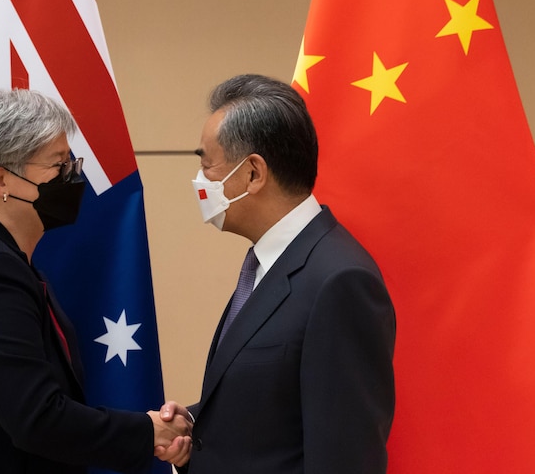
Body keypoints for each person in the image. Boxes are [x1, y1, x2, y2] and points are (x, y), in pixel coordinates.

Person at [0, 88, 191, 473]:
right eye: (59, 166)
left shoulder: (8, 262)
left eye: (72, 160)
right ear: (0, 181)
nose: (74, 176)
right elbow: (37, 418)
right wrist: (148, 431)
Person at [161, 74, 396, 473]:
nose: (201, 182)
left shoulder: (339, 281)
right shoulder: (266, 263)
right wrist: (194, 427)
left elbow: (344, 457)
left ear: (253, 173)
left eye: (207, 165)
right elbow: (275, 406)